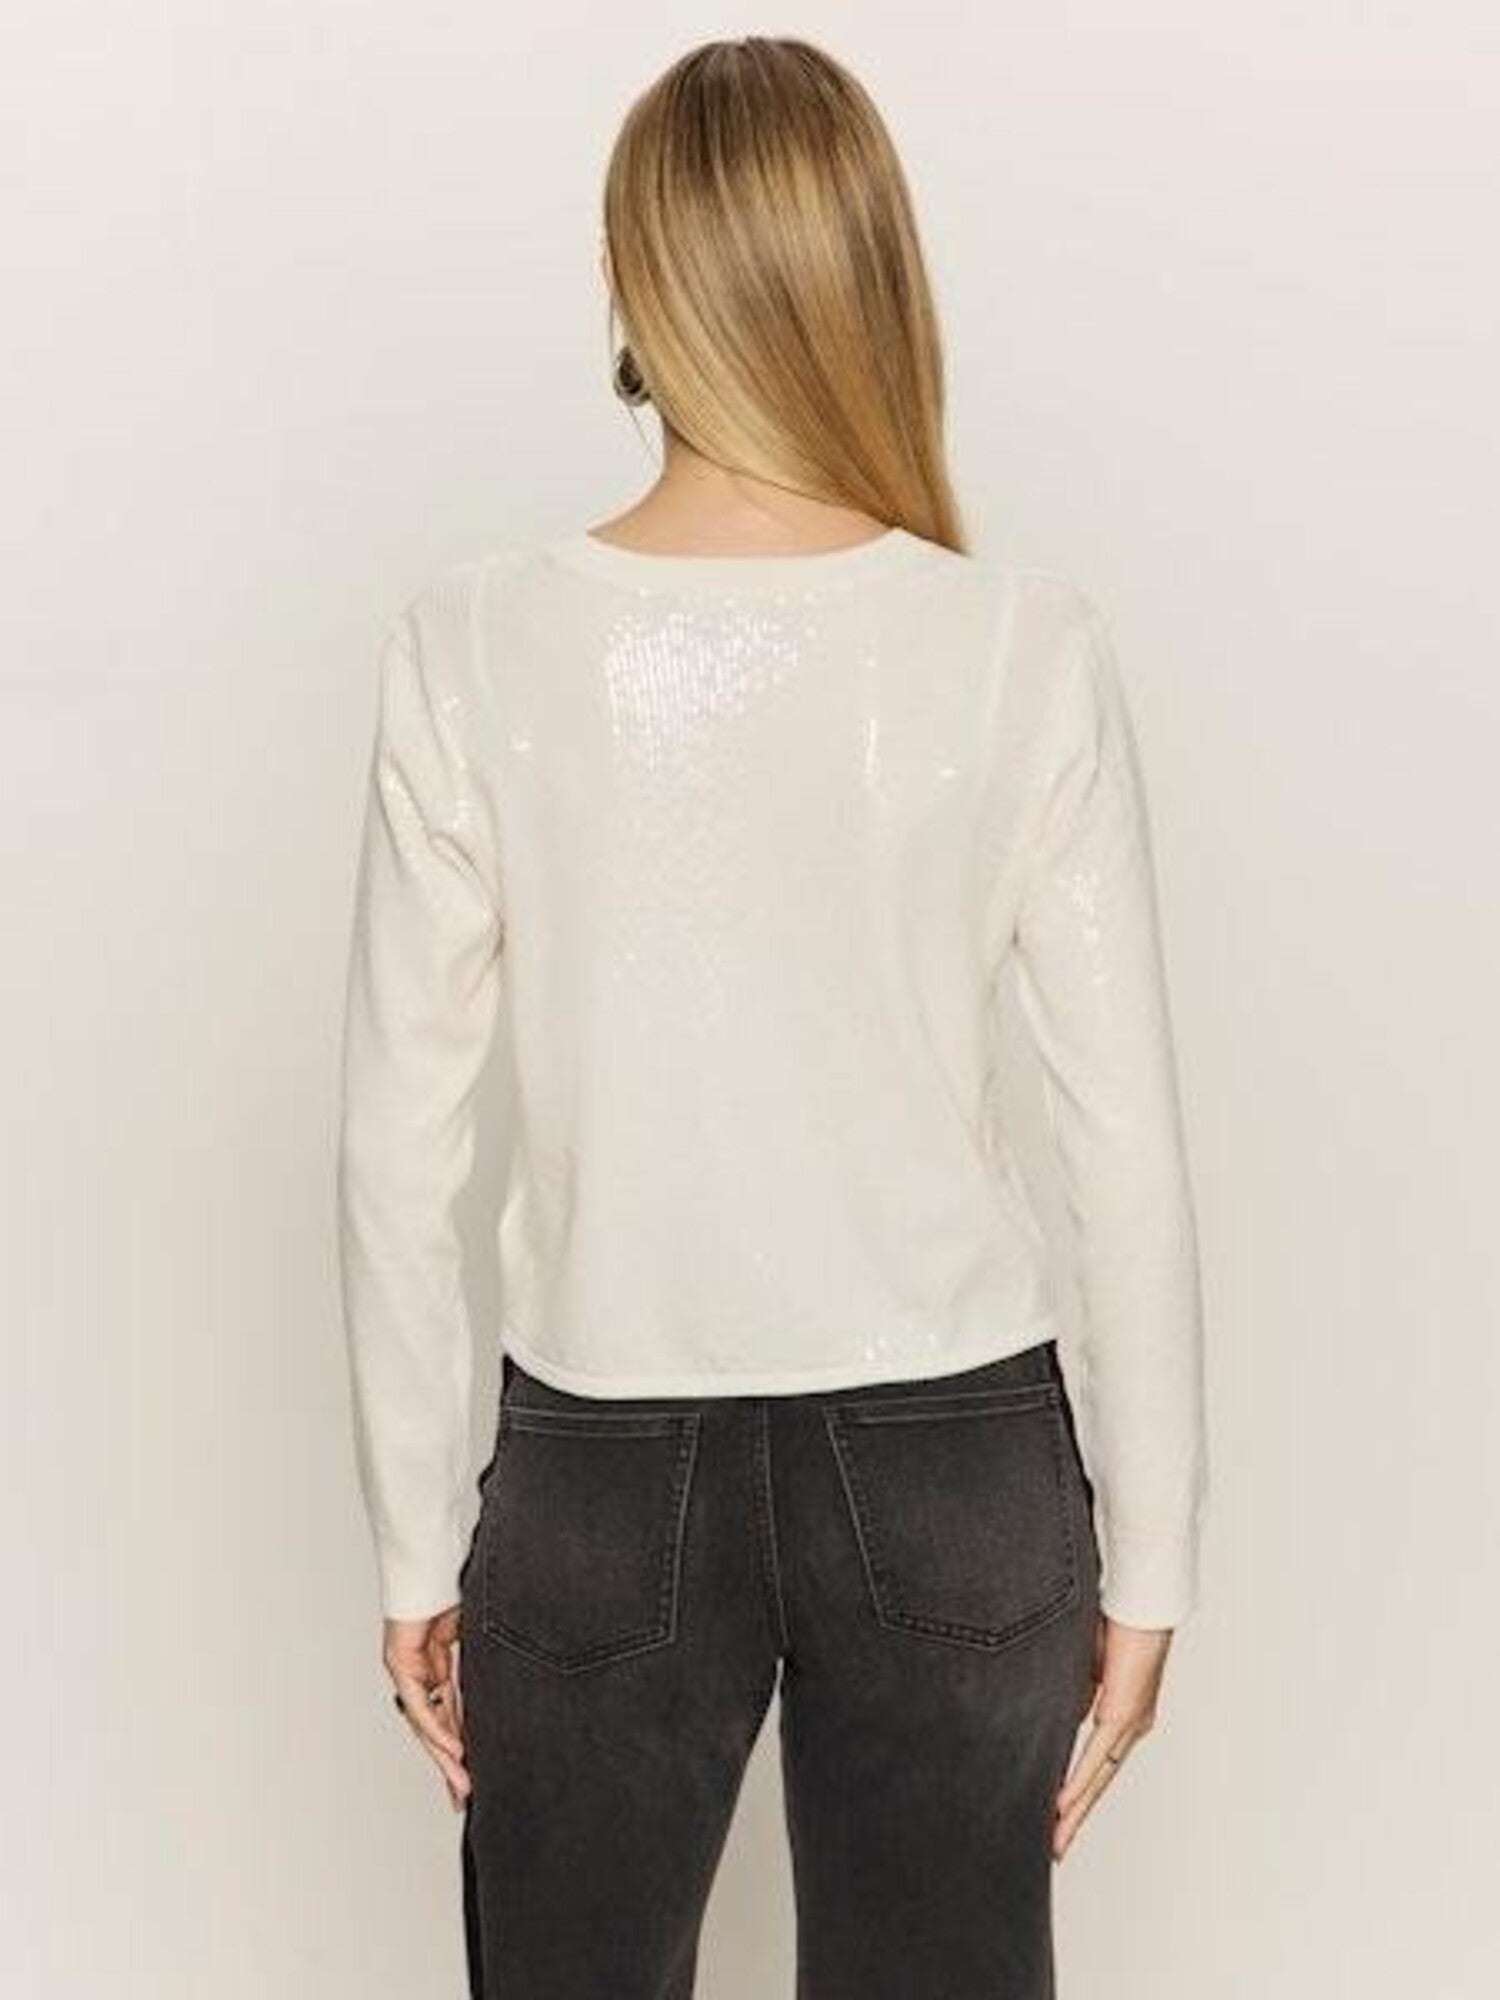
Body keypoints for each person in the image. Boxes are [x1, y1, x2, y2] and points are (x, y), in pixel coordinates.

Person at [335, 34, 1208, 2000]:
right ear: (873, 277)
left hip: (599, 1458)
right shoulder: (1020, 648)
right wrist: (1153, 1554)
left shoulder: (473, 647)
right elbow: (1120, 1144)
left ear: (628, 287)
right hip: (960, 1458)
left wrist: (411, 1540)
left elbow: (398, 1156)